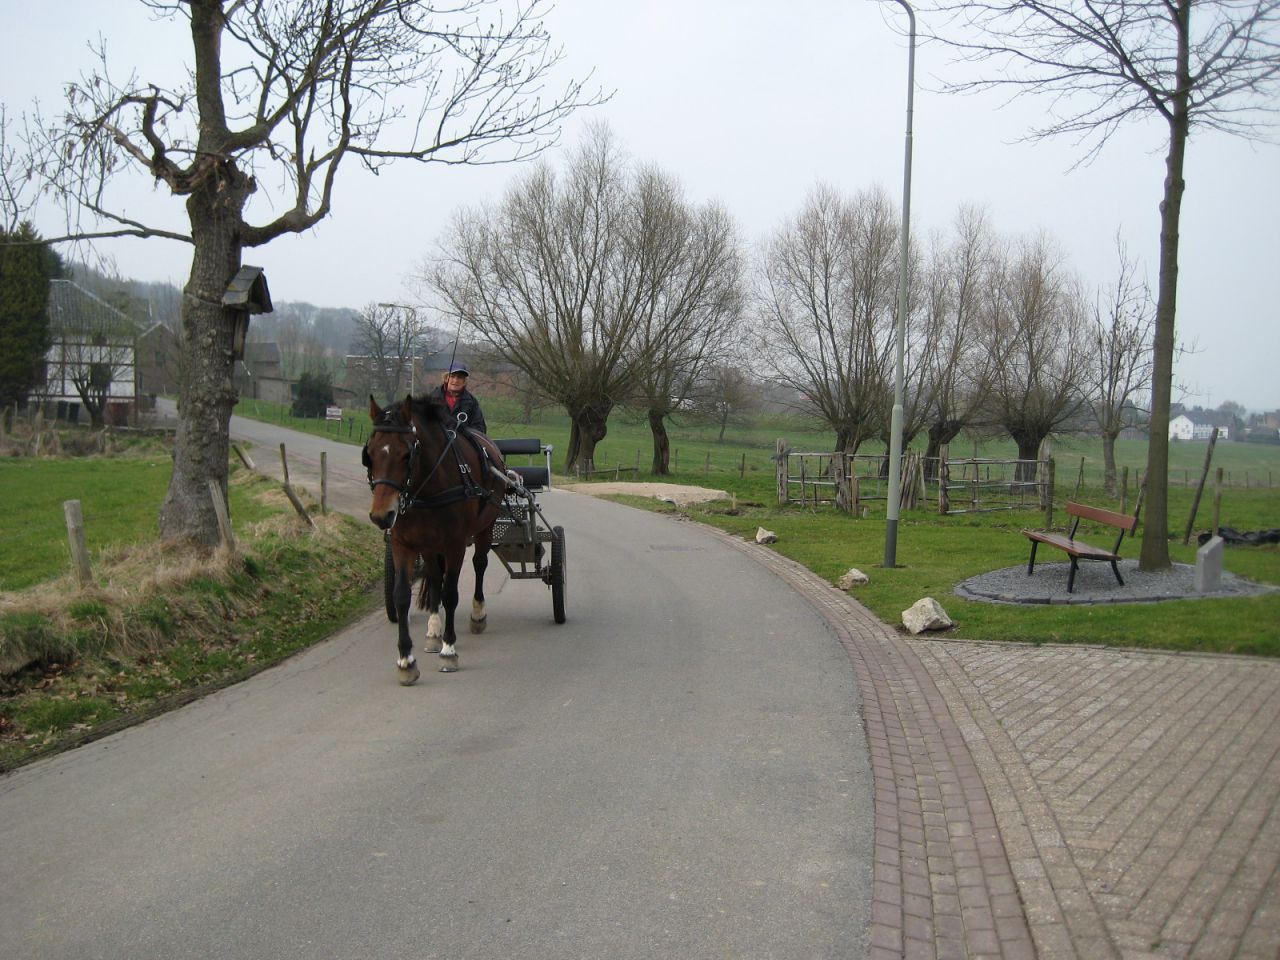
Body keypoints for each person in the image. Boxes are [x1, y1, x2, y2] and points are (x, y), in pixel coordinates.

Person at [432, 361, 487, 435]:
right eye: (452, 376)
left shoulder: (471, 402)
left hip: (462, 441)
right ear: (446, 378)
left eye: (460, 377)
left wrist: (462, 435)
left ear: (464, 381)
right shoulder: (432, 399)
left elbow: (480, 428)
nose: (455, 380)